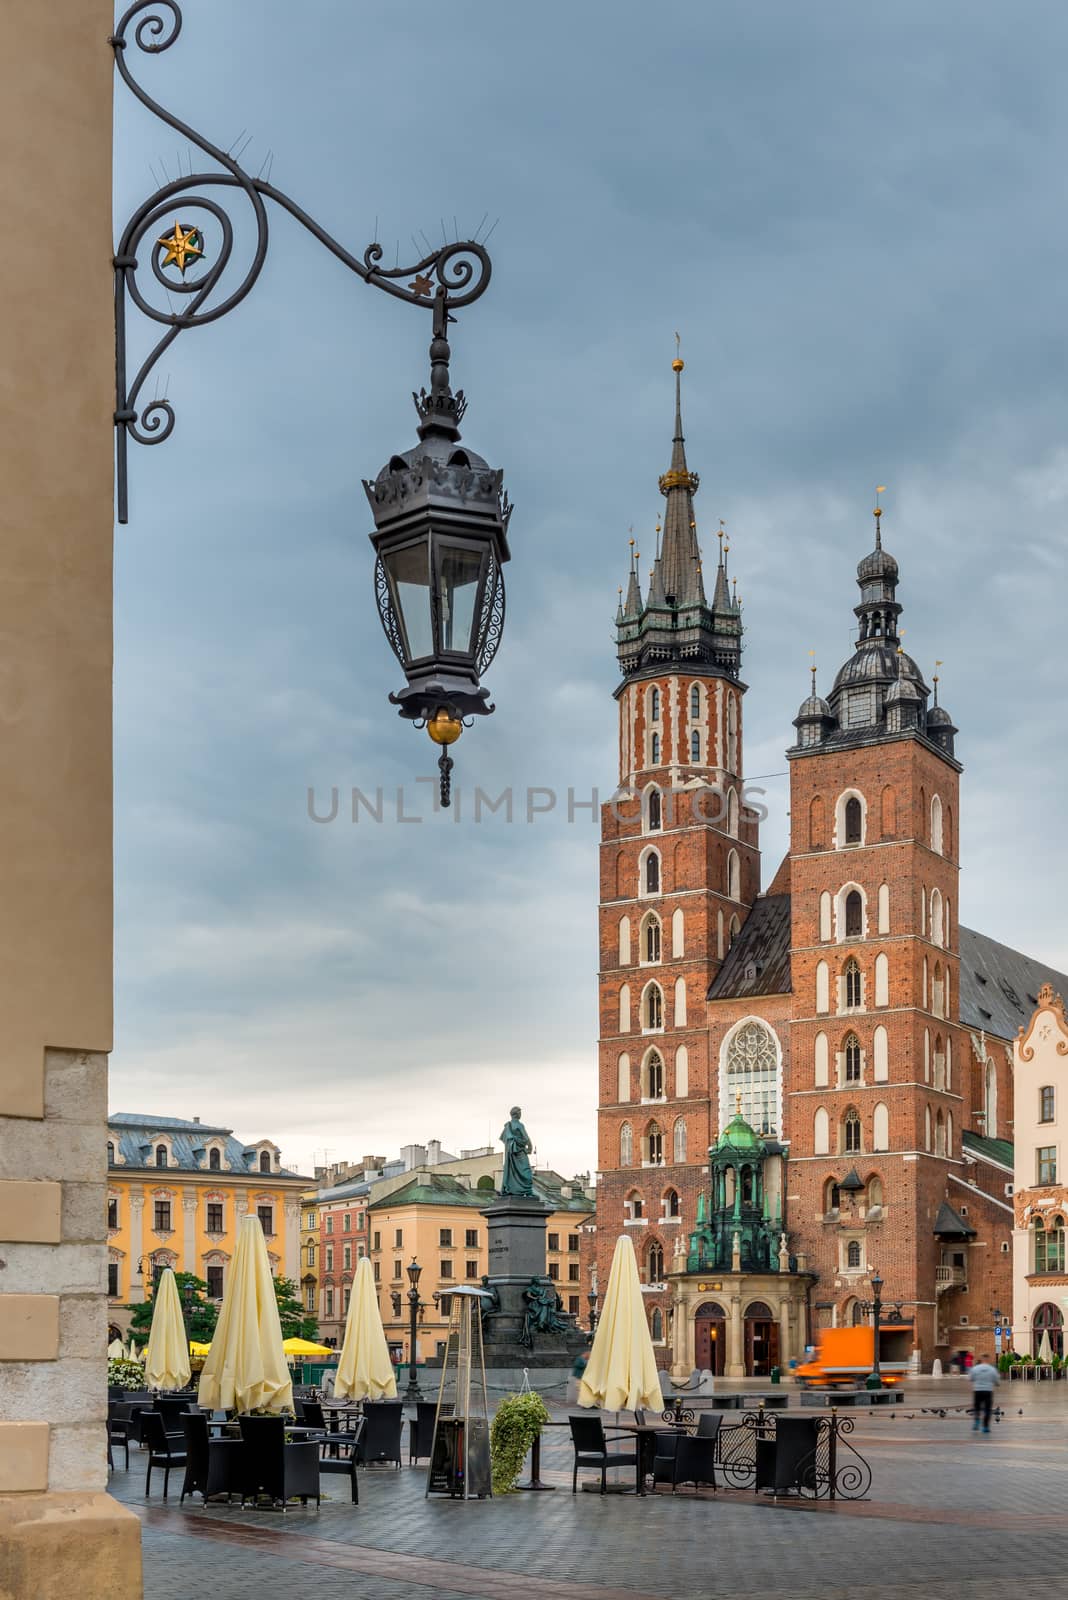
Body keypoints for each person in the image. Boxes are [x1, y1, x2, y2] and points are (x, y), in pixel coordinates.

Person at [968, 1353, 999, 1433]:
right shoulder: (992, 1369)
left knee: (977, 1407)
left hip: (977, 1391)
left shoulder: (975, 1368)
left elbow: (971, 1378)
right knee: (987, 1409)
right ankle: (985, 1427)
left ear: (981, 1359)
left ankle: (976, 1421)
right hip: (988, 1391)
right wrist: (995, 1383)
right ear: (988, 1359)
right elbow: (997, 1381)